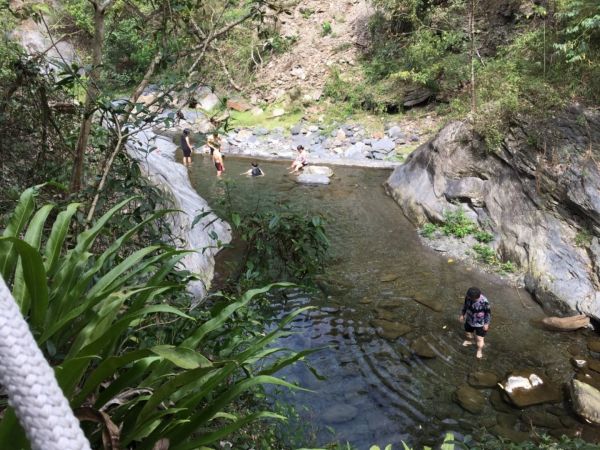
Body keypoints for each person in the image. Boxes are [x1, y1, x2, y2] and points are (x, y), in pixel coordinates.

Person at [459, 287, 491, 359]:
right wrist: (462, 314)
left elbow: (488, 313)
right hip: (469, 320)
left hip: (480, 323)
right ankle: (469, 341)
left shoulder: (484, 302)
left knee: (479, 338)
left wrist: (486, 323)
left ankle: (479, 350)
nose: (467, 297)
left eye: (469, 296)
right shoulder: (468, 297)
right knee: (467, 333)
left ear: (474, 298)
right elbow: (465, 306)